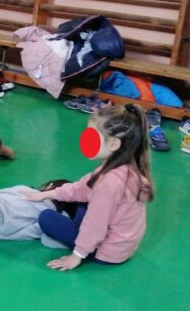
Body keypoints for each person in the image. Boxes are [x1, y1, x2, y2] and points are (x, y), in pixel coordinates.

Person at [23, 104, 153, 270]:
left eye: (92, 137)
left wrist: (77, 255)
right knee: (68, 187)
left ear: (114, 144)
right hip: (121, 245)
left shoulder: (109, 182)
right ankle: (74, 233)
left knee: (46, 217)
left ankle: (74, 244)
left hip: (106, 252)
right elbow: (82, 188)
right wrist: (47, 194)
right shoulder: (125, 166)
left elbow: (96, 224)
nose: (85, 141)